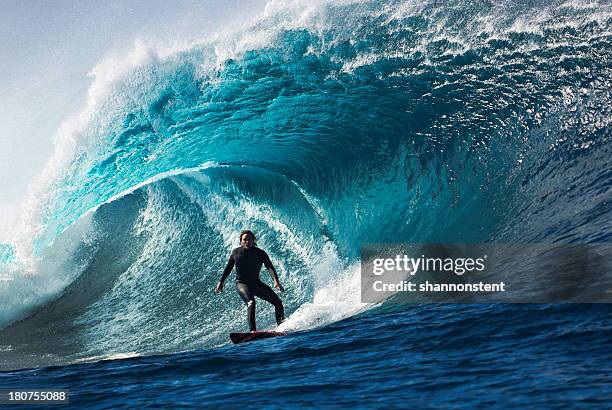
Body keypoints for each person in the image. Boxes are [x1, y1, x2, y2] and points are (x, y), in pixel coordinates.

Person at [215, 230, 285, 331]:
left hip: (256, 284)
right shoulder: (236, 253)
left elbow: (269, 267)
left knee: (278, 303)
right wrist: (221, 282)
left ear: (253, 240)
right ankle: (253, 331)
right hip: (242, 283)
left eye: (250, 239)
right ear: (241, 241)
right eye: (245, 240)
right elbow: (228, 268)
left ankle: (281, 328)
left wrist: (276, 281)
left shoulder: (260, 253)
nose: (247, 242)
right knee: (251, 302)